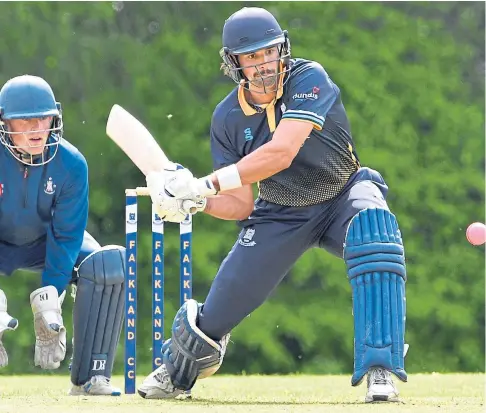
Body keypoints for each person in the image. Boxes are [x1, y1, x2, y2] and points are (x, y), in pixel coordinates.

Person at [140, 6, 408, 403]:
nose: (264, 64)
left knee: (375, 231)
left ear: (283, 48)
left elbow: (281, 152)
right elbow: (240, 204)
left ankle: (380, 368)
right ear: (235, 64)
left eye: (269, 52)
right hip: (280, 212)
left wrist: (206, 183)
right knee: (218, 310)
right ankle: (178, 370)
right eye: (252, 57)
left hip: (342, 192)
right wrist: (197, 201)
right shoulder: (227, 117)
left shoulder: (308, 77)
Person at [0, 74, 125, 396]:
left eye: (42, 119)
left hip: (45, 241)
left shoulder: (71, 164)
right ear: (5, 123)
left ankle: (90, 378)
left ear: (55, 117)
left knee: (106, 266)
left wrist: (50, 297)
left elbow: (67, 233)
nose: (36, 129)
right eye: (23, 122)